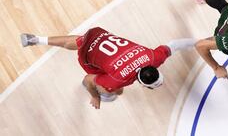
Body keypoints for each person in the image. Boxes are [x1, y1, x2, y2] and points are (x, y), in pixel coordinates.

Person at [21, 27, 196, 109]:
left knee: (79, 40)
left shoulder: (154, 57)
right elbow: (87, 79)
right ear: (142, 83)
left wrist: (198, 42)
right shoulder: (120, 80)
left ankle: (35, 39)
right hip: (91, 58)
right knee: (115, 91)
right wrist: (95, 96)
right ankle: (106, 93)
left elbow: (174, 44)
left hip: (102, 37)